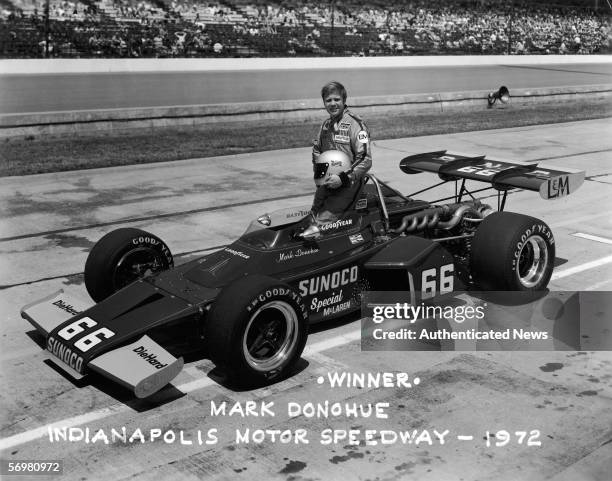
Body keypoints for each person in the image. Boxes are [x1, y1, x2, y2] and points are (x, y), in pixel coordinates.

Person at [311, 81, 372, 223]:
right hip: (327, 183)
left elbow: (365, 159)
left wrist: (342, 178)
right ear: (324, 103)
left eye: (336, 99)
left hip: (348, 184)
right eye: (328, 100)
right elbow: (317, 151)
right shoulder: (325, 125)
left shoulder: (356, 124)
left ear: (344, 100)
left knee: (322, 221)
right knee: (312, 217)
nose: (332, 104)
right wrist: (320, 177)